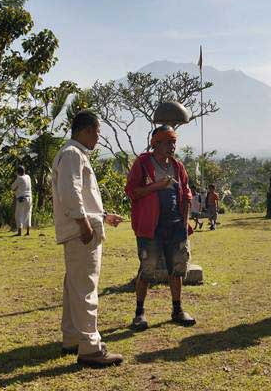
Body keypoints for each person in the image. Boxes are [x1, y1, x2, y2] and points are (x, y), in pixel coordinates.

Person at [52, 111, 124, 367]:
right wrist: (83, 224)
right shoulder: (72, 153)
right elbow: (70, 192)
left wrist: (102, 216)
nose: (98, 137)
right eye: (97, 131)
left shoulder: (74, 153)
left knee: (75, 286)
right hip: (81, 231)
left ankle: (72, 337)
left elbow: (81, 195)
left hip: (82, 226)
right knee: (85, 287)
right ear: (86, 130)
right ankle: (91, 348)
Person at [125, 125, 196, 331]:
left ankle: (177, 309)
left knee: (178, 267)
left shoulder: (178, 166)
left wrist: (184, 222)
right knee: (147, 268)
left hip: (175, 226)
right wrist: (157, 186)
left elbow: (187, 193)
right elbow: (132, 191)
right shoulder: (143, 163)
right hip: (151, 227)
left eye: (174, 141)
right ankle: (139, 313)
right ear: (155, 143)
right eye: (167, 142)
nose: (172, 146)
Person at [11, 165, 32, 236]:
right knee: (28, 213)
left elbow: (13, 187)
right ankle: (28, 231)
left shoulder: (19, 178)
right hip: (29, 198)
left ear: (18, 172)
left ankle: (19, 231)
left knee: (18, 214)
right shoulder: (28, 177)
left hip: (21, 198)